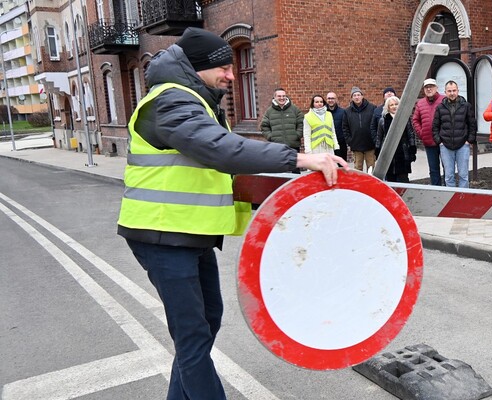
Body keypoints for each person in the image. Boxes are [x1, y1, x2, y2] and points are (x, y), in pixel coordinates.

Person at [116, 27, 348, 399]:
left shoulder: (195, 102)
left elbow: (219, 166)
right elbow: (224, 150)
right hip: (160, 236)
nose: (229, 74)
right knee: (192, 336)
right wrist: (300, 159)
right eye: (222, 67)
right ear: (197, 68)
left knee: (206, 323)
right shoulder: (171, 102)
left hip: (188, 235)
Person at [432, 80, 477, 188]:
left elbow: (472, 124)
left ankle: (463, 198)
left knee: (463, 175)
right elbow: (435, 126)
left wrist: (469, 140)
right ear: (445, 92)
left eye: (454, 90)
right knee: (448, 176)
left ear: (458, 91)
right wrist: (439, 141)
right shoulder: (440, 107)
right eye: (449, 91)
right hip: (446, 146)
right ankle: (450, 200)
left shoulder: (466, 106)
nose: (452, 93)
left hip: (462, 145)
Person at [375, 95, 417, 183]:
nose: (394, 106)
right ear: (388, 107)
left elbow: (410, 134)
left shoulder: (405, 118)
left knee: (404, 179)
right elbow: (379, 137)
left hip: (403, 152)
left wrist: (412, 149)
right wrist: (378, 152)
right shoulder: (383, 120)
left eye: (396, 104)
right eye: (391, 105)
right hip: (389, 155)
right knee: (391, 180)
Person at [412, 78, 445, 186]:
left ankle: (448, 190)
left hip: (444, 141)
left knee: (447, 168)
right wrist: (421, 133)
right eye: (426, 87)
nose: (429, 89)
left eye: (431, 86)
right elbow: (415, 120)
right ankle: (436, 189)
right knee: (433, 168)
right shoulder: (420, 103)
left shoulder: (444, 100)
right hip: (428, 141)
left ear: (436, 88)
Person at [343, 86, 377, 171]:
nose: (357, 97)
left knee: (371, 168)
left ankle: (371, 184)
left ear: (362, 96)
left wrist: (374, 139)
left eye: (358, 95)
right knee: (357, 169)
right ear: (352, 98)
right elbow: (345, 128)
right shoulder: (347, 111)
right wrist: (350, 141)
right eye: (354, 95)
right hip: (356, 146)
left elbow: (376, 125)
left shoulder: (372, 108)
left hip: (370, 145)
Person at [326, 91, 348, 161]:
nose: (330, 100)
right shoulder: (323, 113)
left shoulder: (342, 112)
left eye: (332, 98)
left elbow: (346, 127)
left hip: (340, 143)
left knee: (341, 165)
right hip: (327, 143)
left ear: (336, 100)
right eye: (329, 98)